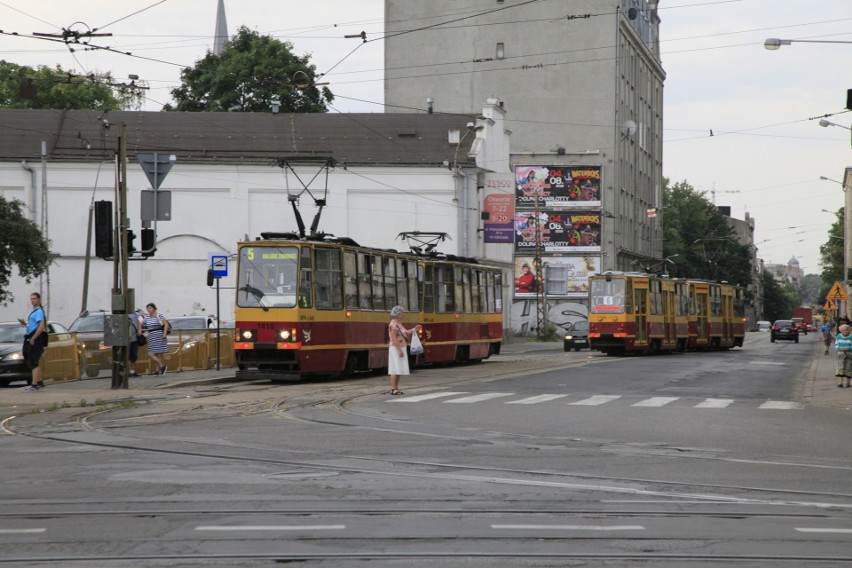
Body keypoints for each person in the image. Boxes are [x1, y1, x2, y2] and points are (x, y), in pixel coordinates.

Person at [387, 305, 420, 395]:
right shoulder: (393, 324)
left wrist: (414, 329)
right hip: (396, 348)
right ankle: (393, 389)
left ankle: (396, 388)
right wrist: (399, 350)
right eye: (402, 313)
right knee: (395, 368)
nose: (404, 314)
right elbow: (394, 339)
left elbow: (405, 332)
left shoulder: (399, 323)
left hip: (401, 347)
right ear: (398, 314)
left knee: (399, 368)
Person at [20, 292, 47, 391]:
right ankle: (39, 382)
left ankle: (34, 385)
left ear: (38, 299)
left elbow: (41, 326)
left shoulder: (39, 311)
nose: (32, 301)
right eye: (31, 299)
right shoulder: (34, 311)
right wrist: (25, 325)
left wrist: (34, 338)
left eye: (34, 299)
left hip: (36, 338)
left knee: (33, 361)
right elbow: (32, 326)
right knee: (32, 360)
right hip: (31, 335)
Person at [143, 302, 170, 375]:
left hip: (160, 335)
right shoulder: (147, 317)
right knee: (152, 353)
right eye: (147, 308)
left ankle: (158, 370)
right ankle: (162, 367)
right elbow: (142, 323)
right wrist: (140, 328)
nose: (149, 310)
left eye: (150, 308)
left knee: (159, 353)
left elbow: (166, 324)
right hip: (151, 336)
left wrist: (164, 333)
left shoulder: (159, 315)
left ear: (154, 308)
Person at [128, 312, 142, 377]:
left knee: (133, 356)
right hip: (126, 339)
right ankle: (130, 371)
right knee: (127, 356)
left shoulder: (135, 314)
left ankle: (133, 371)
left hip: (134, 338)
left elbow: (140, 320)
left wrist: (140, 330)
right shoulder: (123, 314)